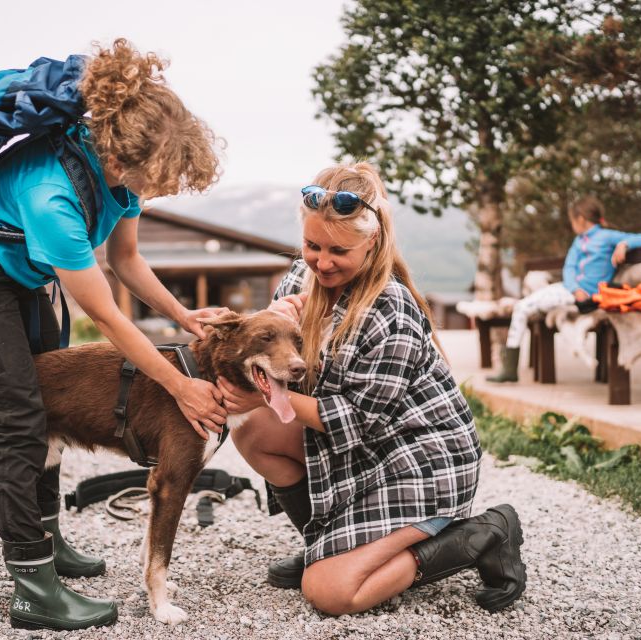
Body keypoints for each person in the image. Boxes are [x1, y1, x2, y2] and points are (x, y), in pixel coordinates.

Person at [0, 39, 228, 631]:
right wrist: (182, 387)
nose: (160, 191)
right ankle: (31, 585)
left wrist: (184, 318)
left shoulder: (123, 179)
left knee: (50, 401)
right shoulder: (52, 196)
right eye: (160, 181)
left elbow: (129, 262)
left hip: (22, 274)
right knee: (17, 417)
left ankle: (45, 535)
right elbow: (111, 320)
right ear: (123, 157)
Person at [217, 163, 527, 616]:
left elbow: (354, 420)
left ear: (372, 242)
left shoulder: (391, 307)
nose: (322, 261)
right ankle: (324, 541)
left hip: (418, 461)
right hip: (360, 453)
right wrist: (273, 319)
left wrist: (269, 394)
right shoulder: (299, 282)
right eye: (312, 245)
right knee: (255, 431)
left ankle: (484, 533)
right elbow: (273, 361)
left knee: (331, 593)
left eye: (338, 250)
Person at [488, 195, 641, 383]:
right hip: (571, 291)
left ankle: (510, 369)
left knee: (522, 308)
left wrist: (624, 244)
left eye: (572, 221)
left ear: (581, 219)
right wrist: (575, 288)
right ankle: (509, 366)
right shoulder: (579, 241)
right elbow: (569, 267)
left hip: (591, 295)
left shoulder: (607, 236)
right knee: (524, 306)